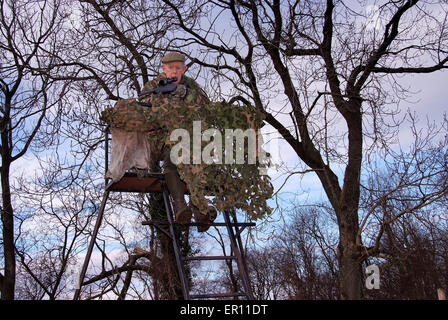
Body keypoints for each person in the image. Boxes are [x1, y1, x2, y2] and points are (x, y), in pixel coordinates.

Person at [140, 52, 216, 232]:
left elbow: (206, 107)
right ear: (163, 69)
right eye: (170, 68)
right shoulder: (152, 86)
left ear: (184, 69)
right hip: (159, 139)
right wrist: (164, 99)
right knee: (172, 155)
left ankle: (199, 209)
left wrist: (186, 94)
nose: (174, 72)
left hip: (187, 141)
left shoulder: (190, 86)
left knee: (195, 154)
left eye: (178, 68)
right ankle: (181, 207)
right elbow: (143, 109)